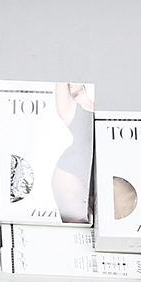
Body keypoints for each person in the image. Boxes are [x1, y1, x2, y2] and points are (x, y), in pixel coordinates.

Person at [52, 83, 95, 223]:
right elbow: (61, 77)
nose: (69, 82)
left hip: (99, 173)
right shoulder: (69, 108)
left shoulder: (104, 108)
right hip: (72, 172)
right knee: (77, 228)